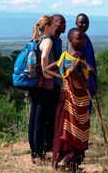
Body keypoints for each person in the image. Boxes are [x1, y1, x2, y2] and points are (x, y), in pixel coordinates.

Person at [44, 28, 94, 171]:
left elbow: (47, 69)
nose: (82, 41)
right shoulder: (78, 55)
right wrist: (83, 82)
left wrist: (63, 77)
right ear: (71, 40)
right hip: (77, 99)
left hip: (66, 96)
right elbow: (72, 70)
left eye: (83, 38)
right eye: (79, 38)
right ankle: (70, 160)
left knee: (65, 128)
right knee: (77, 128)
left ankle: (65, 161)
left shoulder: (65, 55)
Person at [28, 15, 55, 162]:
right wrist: (47, 73)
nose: (55, 27)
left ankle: (34, 152)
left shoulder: (36, 40)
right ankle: (38, 154)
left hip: (34, 84)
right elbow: (44, 57)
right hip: (43, 85)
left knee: (33, 119)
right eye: (53, 25)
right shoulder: (47, 41)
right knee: (40, 120)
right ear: (47, 27)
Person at [44, 14, 66, 152]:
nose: (64, 25)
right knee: (49, 114)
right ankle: (47, 145)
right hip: (50, 81)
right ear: (54, 24)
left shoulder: (58, 40)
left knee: (54, 114)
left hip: (55, 81)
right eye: (61, 23)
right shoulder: (50, 40)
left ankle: (52, 142)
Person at [75, 13, 97, 113]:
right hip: (81, 81)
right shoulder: (76, 38)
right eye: (81, 22)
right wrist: (86, 66)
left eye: (86, 22)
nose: (84, 25)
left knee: (87, 112)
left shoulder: (85, 37)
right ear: (76, 23)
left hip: (89, 80)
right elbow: (73, 58)